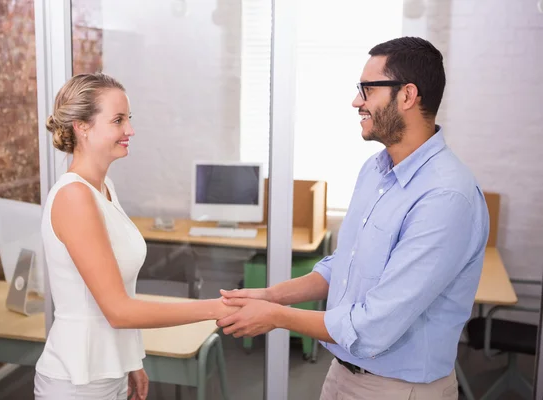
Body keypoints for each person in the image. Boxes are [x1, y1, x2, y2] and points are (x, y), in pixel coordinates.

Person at [217, 36, 489, 399]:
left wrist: (276, 317)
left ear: (407, 96)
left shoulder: (445, 198)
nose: (356, 101)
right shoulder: (375, 171)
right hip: (343, 374)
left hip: (399, 389)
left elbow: (375, 324)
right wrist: (271, 295)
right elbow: (343, 266)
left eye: (367, 90)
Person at [34, 73, 238, 400]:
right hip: (76, 382)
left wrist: (132, 362)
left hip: (108, 372)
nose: (130, 130)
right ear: (81, 126)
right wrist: (217, 308)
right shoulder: (74, 197)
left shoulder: (103, 189)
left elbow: (118, 290)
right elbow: (119, 310)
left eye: (129, 119)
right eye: (118, 120)